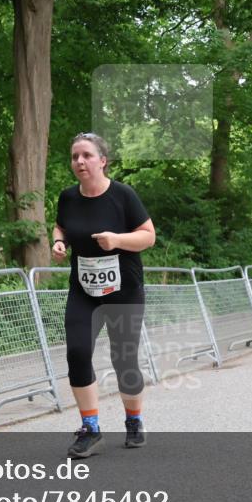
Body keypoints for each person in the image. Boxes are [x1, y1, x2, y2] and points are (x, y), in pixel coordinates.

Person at [52, 133, 155, 458]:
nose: (79, 162)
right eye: (74, 156)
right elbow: (61, 227)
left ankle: (134, 420)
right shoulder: (68, 198)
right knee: (77, 352)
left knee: (123, 358)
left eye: (85, 155)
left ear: (102, 160)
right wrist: (59, 243)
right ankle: (91, 428)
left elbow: (148, 237)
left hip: (124, 290)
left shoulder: (123, 195)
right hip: (84, 291)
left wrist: (118, 240)